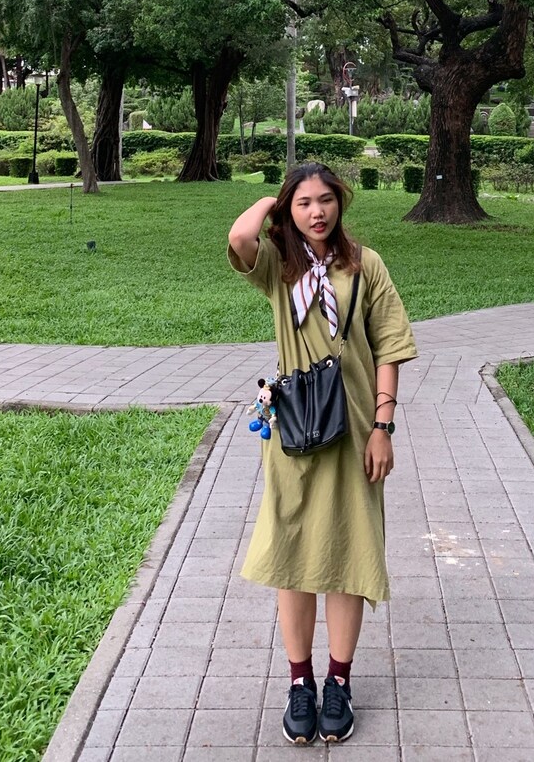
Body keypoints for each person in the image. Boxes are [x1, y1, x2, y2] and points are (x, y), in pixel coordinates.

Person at [227, 162, 418, 746]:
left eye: (326, 200)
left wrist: (383, 427)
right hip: (295, 434)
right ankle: (299, 683)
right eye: (304, 202)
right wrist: (272, 202)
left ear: (341, 202)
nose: (317, 212)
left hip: (356, 431)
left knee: (349, 553)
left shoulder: (366, 264)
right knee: (292, 555)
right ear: (290, 209)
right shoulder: (278, 268)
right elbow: (239, 237)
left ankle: (338, 681)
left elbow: (389, 347)